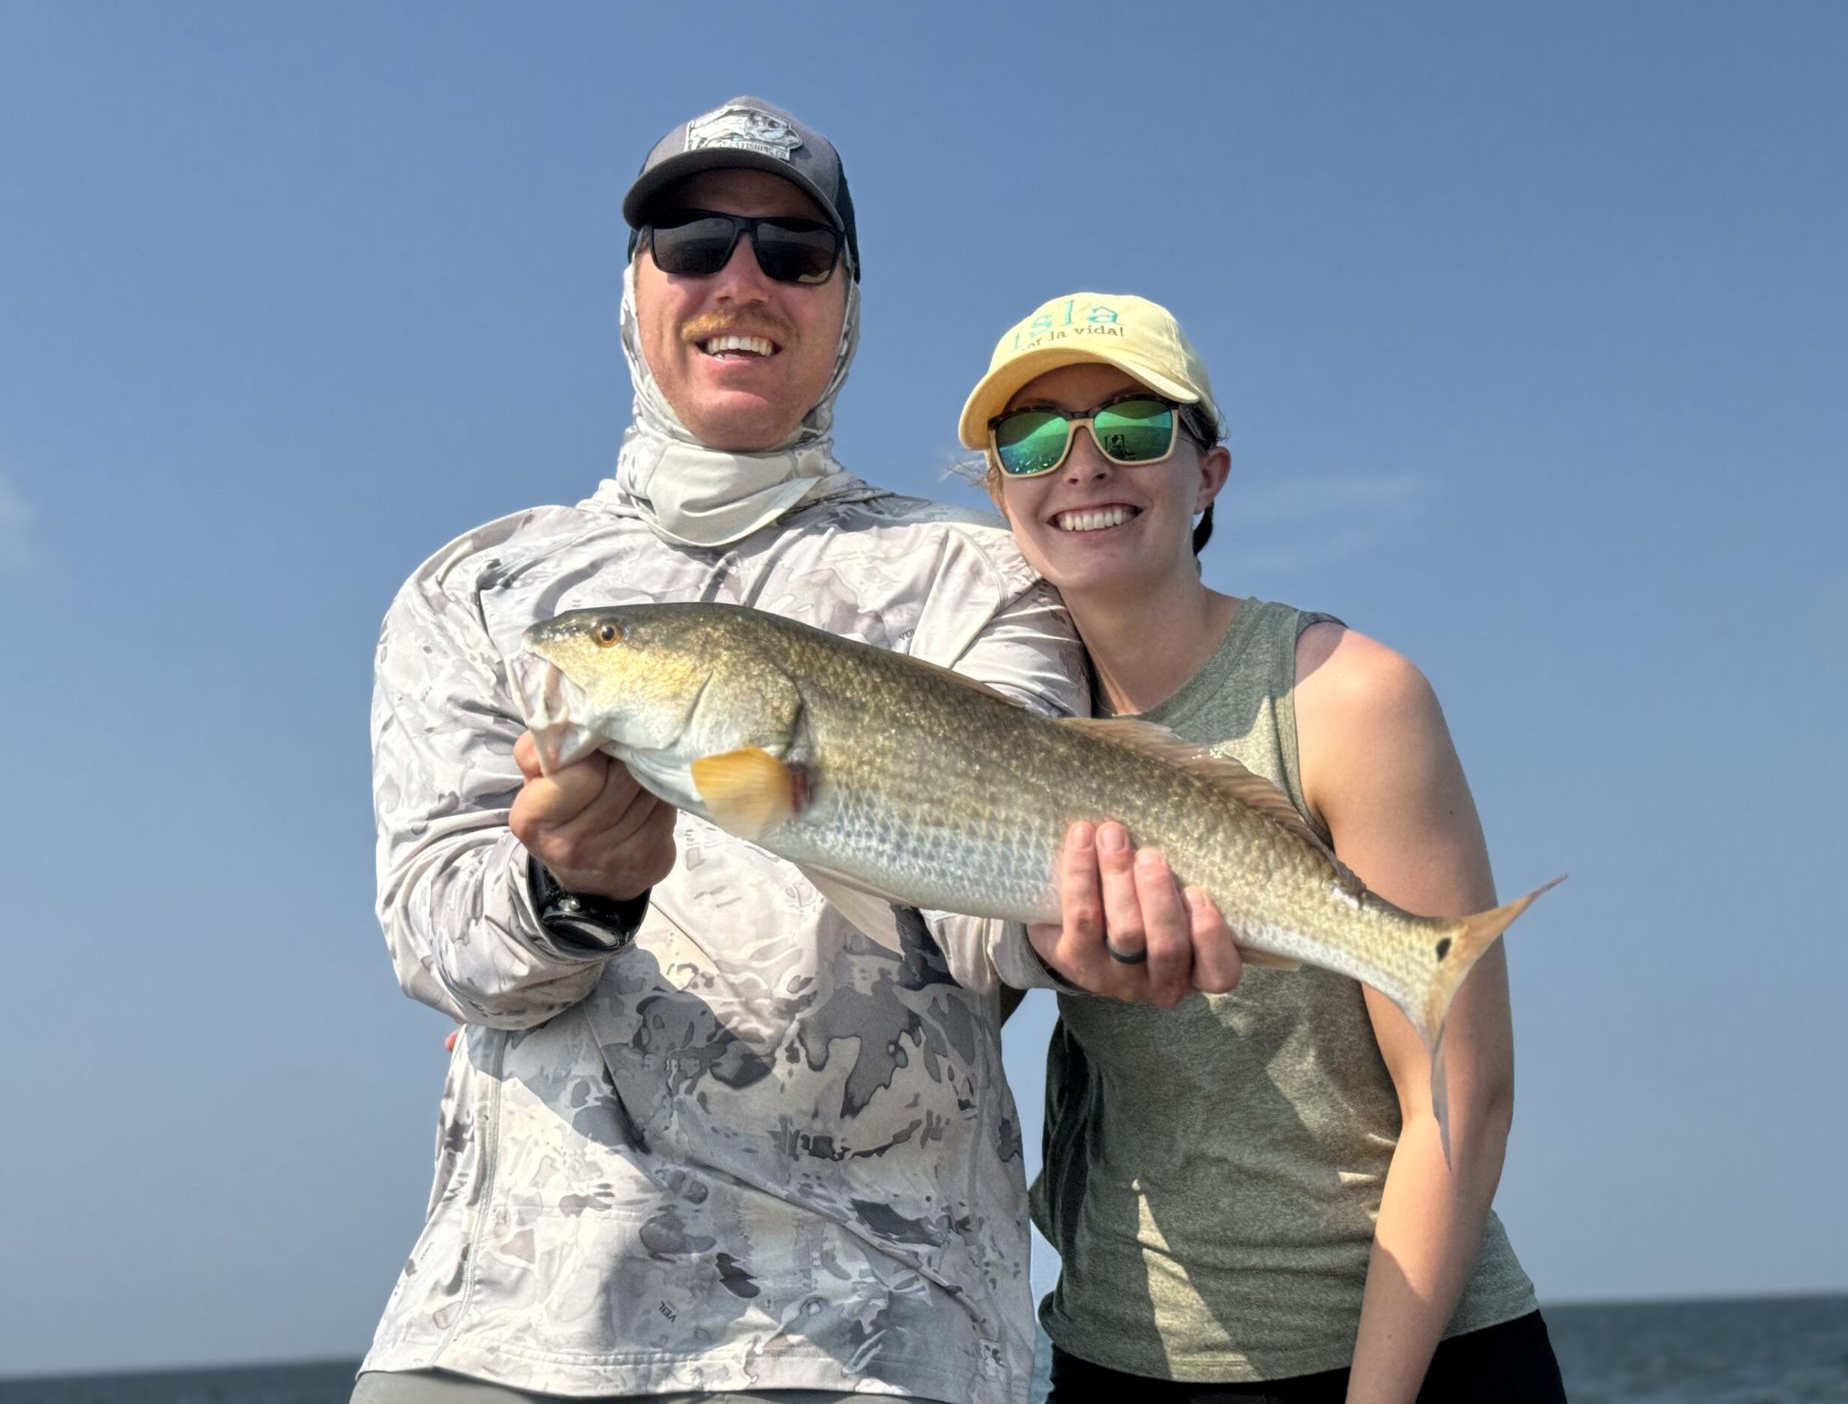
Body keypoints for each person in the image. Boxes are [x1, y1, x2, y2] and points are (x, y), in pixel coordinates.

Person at [355, 106, 1239, 1404]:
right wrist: (567, 895)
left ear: (846, 305)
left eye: (794, 250)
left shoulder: (974, 575)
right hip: (515, 1328)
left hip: (887, 1333)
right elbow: (436, 939)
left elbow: (988, 908)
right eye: (692, 239)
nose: (741, 280)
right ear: (634, 289)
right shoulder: (479, 587)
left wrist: (1079, 934)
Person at [957, 293, 1568, 1403]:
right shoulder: (1000, 718)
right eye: (1034, 435)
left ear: (1211, 475)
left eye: (1133, 427)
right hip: (1111, 1354)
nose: (1082, 465)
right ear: (999, 489)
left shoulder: (1349, 698)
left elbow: (1462, 1099)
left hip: (1411, 1358)